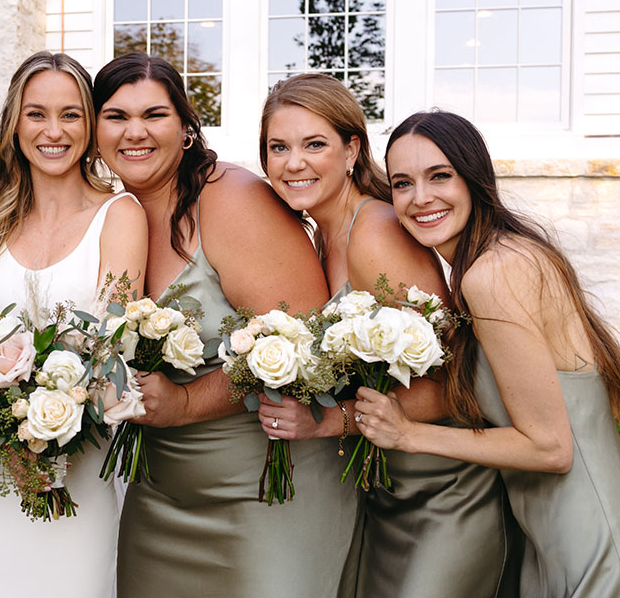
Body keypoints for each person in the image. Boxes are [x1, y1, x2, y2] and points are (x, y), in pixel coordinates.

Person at [93, 52, 354, 598]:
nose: (134, 132)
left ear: (186, 128)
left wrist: (188, 403)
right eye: (115, 116)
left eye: (155, 115)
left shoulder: (230, 197)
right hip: (159, 493)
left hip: (264, 489)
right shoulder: (116, 216)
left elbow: (301, 340)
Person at [255, 75, 520, 598]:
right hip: (380, 488)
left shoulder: (374, 229)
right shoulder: (317, 233)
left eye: (314, 145)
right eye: (277, 147)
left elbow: (453, 383)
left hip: (442, 492)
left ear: (353, 149)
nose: (293, 163)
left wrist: (326, 421)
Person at [357, 109, 620, 597]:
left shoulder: (494, 272)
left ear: (474, 178)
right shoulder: (498, 258)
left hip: (594, 545)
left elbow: (550, 448)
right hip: (554, 542)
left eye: (440, 176)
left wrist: (408, 434)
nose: (420, 198)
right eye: (401, 184)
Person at [0, 51, 147, 598]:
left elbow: (112, 343)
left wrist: (42, 432)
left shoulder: (119, 216)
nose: (54, 131)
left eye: (71, 114)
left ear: (91, 125)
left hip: (74, 465)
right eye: (36, 114)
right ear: (13, 122)